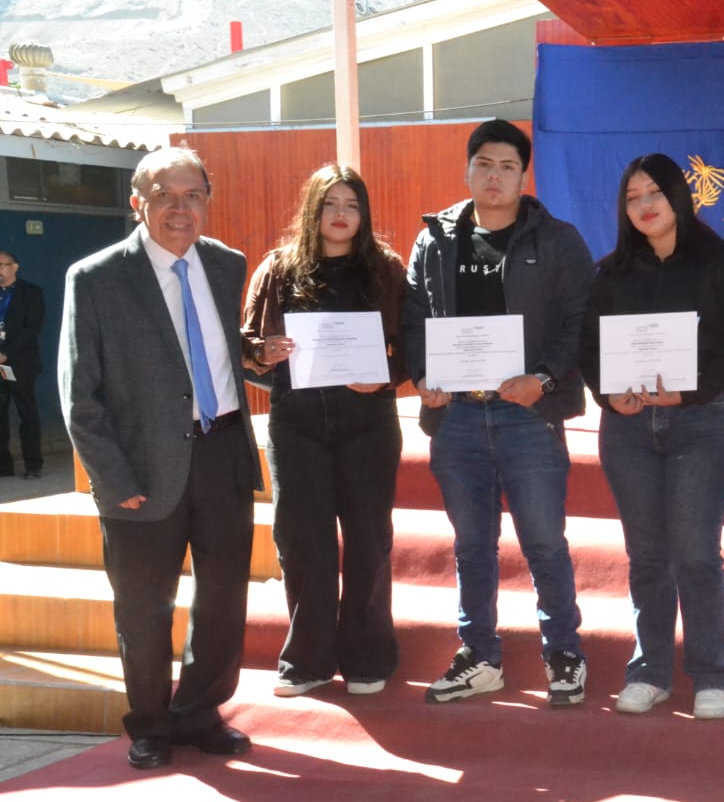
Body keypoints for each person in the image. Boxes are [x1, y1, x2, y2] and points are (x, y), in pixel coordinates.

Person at [59, 146, 260, 769]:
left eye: (193, 195)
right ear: (136, 203)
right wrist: (112, 478)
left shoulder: (227, 264)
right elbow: (78, 395)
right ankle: (149, 724)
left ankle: (199, 713)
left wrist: (259, 354)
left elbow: (218, 349)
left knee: (223, 600)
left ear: (208, 202)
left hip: (223, 454)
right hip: (140, 469)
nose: (181, 208)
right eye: (165, 196)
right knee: (144, 607)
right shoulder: (94, 278)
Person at [402, 119, 593, 706]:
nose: (494, 176)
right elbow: (413, 318)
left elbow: (580, 322)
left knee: (544, 542)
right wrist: (423, 376)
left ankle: (563, 652)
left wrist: (544, 380)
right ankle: (480, 655)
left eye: (508, 166)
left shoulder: (557, 240)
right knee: (471, 546)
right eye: (484, 163)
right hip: (457, 417)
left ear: (523, 176)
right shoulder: (435, 240)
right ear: (467, 169)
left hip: (528, 416)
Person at [578, 154, 724, 719]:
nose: (645, 205)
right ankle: (649, 672)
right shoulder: (610, 274)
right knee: (647, 557)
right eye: (633, 197)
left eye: (654, 192)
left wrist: (692, 390)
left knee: (695, 553)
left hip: (700, 423)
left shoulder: (721, 261)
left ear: (679, 196)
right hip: (628, 429)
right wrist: (609, 394)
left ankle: (712, 674)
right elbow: (588, 347)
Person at [242, 165, 407, 698]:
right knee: (302, 541)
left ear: (364, 214)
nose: (340, 214)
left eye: (351, 205)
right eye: (330, 203)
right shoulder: (278, 268)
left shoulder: (385, 269)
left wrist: (385, 375)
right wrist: (263, 352)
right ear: (311, 210)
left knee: (367, 541)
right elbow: (245, 344)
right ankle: (307, 660)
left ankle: (367, 656)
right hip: (298, 425)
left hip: (368, 423)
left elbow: (412, 343)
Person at [0, 249, 45, 479]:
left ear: (14, 268)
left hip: (21, 363)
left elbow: (32, 329)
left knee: (27, 414)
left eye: (2, 265)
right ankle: (3, 466)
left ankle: (33, 465)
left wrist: (5, 354)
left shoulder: (31, 292)